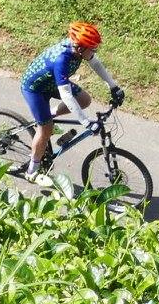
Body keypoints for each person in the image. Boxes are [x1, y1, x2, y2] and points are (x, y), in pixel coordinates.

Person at [18, 20, 125, 184]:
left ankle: (49, 115)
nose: (94, 51)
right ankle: (31, 170)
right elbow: (66, 95)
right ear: (81, 48)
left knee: (84, 100)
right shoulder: (62, 59)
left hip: (52, 83)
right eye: (93, 48)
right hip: (35, 89)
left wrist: (113, 87)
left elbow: (95, 63)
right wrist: (85, 122)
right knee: (46, 130)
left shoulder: (78, 49)